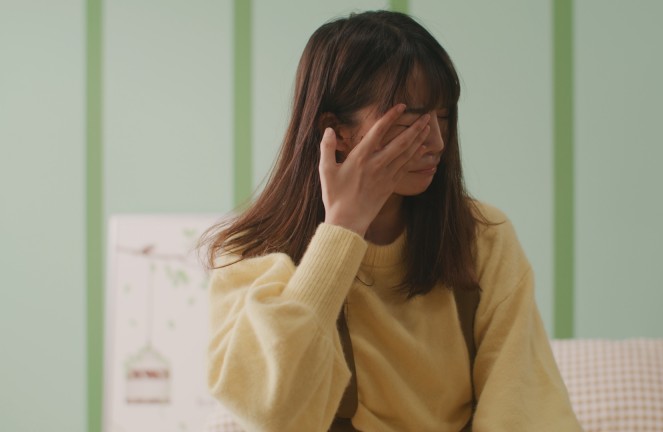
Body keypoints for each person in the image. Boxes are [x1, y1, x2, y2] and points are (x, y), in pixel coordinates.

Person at [201, 10, 582, 432]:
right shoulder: (250, 254)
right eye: (409, 122)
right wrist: (342, 231)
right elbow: (271, 411)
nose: (436, 142)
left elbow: (524, 408)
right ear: (335, 131)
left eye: (443, 117)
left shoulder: (483, 238)